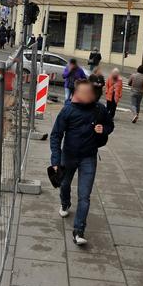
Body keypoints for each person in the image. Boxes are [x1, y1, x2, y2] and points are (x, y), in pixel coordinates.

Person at [50, 80, 114, 245]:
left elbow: (110, 125)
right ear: (77, 93)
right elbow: (56, 136)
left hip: (89, 158)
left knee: (84, 196)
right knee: (64, 184)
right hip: (68, 156)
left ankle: (78, 231)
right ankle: (65, 204)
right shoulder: (68, 111)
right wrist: (56, 161)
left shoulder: (99, 109)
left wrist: (103, 129)